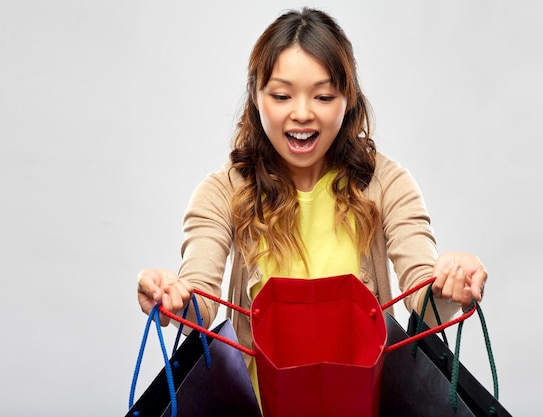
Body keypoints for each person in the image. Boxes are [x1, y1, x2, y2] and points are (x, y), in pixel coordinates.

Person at [136, 5, 488, 401]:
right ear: (256, 95)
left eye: (322, 96)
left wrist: (449, 283)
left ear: (348, 98)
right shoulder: (222, 192)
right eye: (282, 95)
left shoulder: (387, 184)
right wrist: (172, 297)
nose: (301, 113)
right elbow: (199, 307)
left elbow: (423, 306)